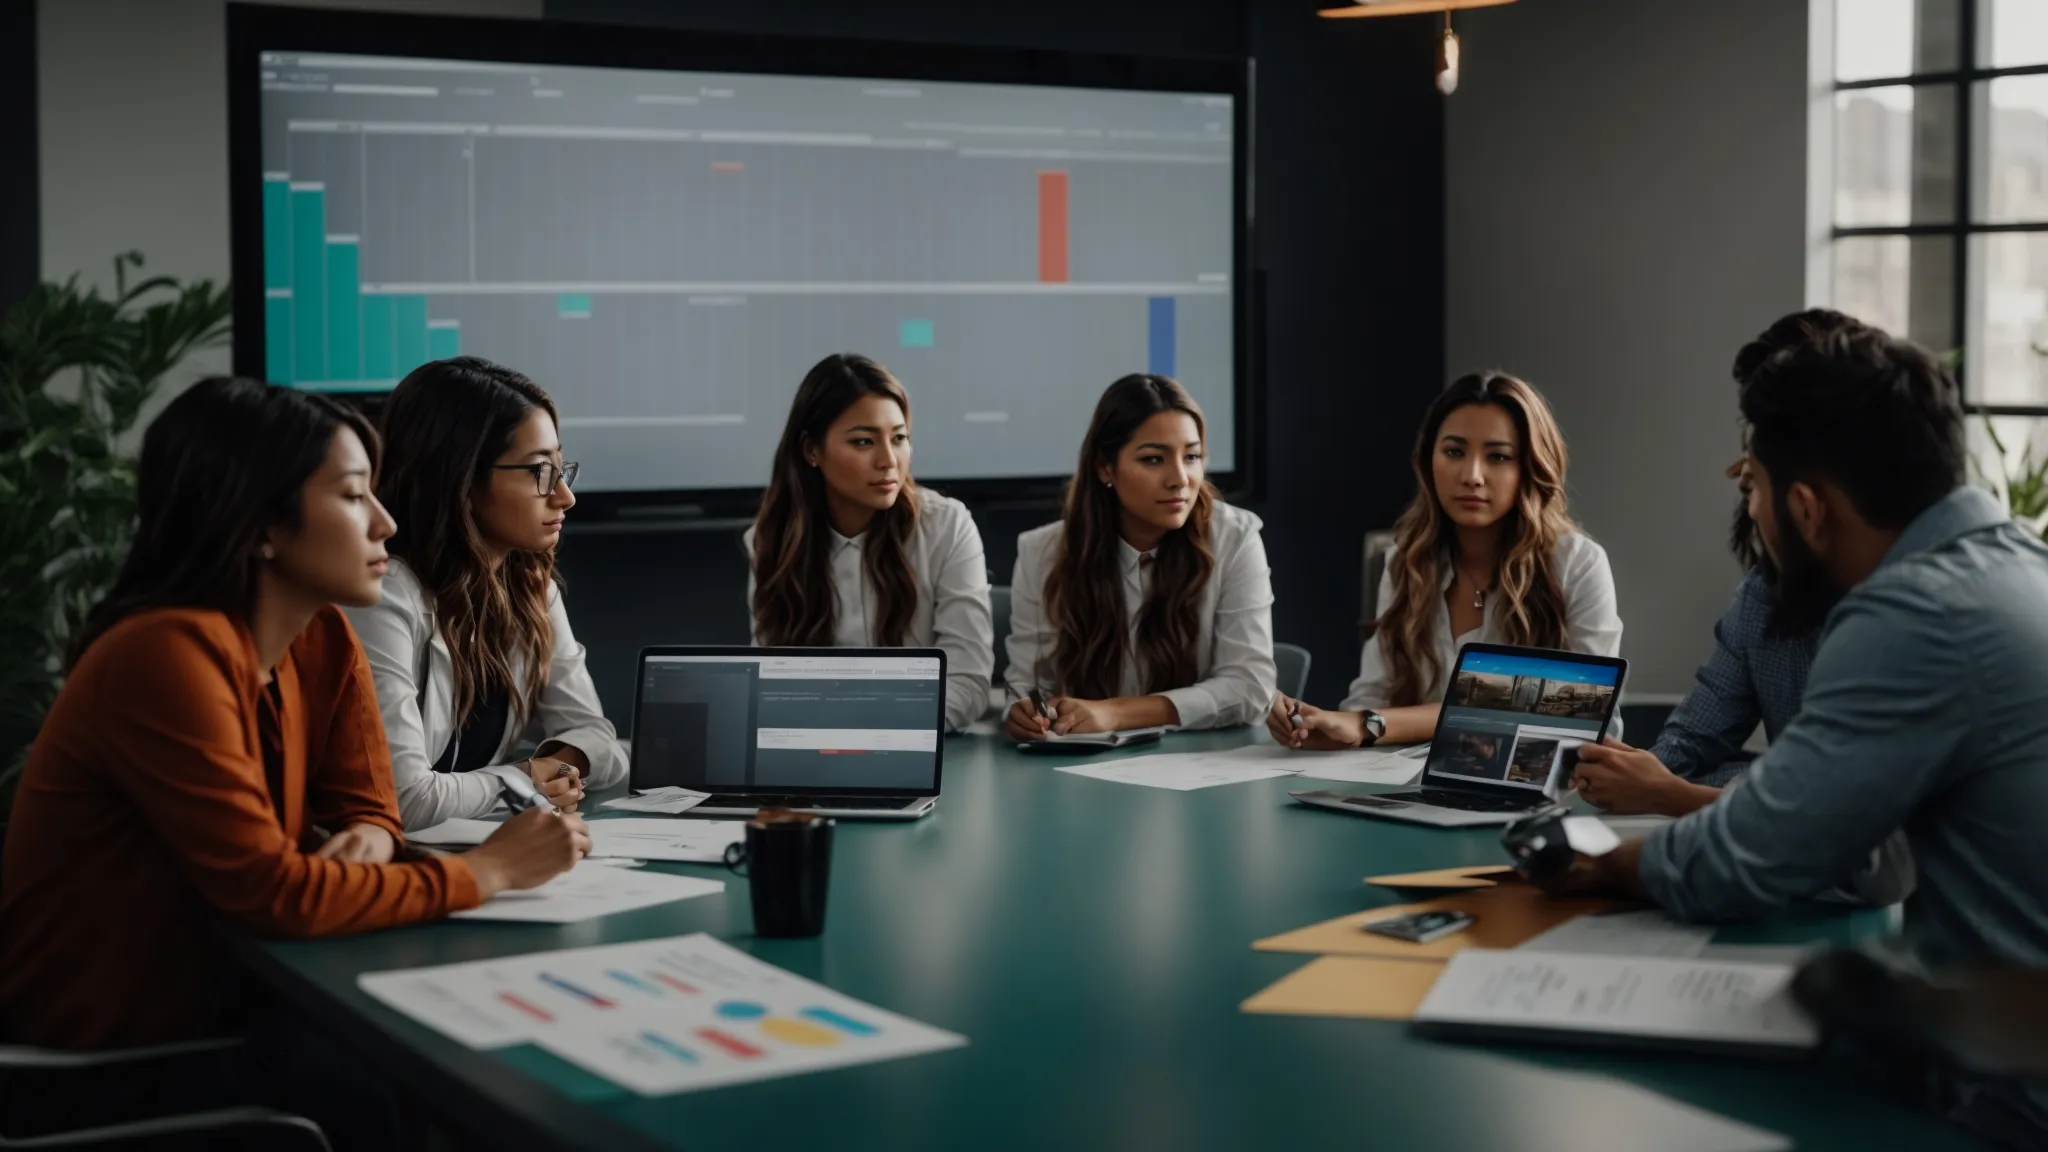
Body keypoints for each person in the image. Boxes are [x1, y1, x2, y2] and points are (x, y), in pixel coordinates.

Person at [0, 378, 584, 1131]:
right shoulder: (165, 654)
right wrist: (490, 870)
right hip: (99, 1060)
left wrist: (370, 840)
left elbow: (373, 807)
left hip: (227, 1005)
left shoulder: (322, 633)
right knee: (417, 1090)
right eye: (351, 497)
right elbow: (275, 895)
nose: (385, 522)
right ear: (260, 524)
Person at [1529, 323, 2048, 1144]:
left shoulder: (1915, 614)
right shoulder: (2019, 566)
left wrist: (1594, 863)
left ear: (1806, 508)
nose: (1752, 508)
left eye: (1754, 487)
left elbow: (1754, 854)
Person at [1572, 310, 1859, 816]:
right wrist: (1631, 778)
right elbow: (1694, 740)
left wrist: (1671, 795)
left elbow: (1840, 820)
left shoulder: (1901, 613)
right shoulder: (1763, 595)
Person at [345, 357, 628, 831]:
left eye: (562, 468)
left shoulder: (530, 585)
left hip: (478, 846)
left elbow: (600, 741)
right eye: (540, 471)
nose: (564, 496)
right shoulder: (386, 592)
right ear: (460, 478)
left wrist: (559, 765)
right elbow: (404, 797)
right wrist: (525, 779)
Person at [1270, 372, 1620, 751]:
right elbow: (1371, 699)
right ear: (1427, 460)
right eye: (1454, 452)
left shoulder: (1577, 564)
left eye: (1498, 457)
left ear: (1530, 468)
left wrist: (1371, 724)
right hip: (1406, 783)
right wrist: (1332, 729)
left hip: (1532, 787)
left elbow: (1585, 715)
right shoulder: (1405, 562)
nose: (1471, 476)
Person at [1005, 374, 1275, 738]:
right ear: (1105, 467)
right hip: (1079, 766)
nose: (1180, 478)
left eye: (1191, 456)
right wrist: (1024, 711)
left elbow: (1250, 686)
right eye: (1153, 459)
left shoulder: (1235, 538)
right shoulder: (1043, 553)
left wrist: (1116, 713)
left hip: (1199, 766)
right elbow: (1028, 684)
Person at [747, 353, 993, 733]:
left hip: (923, 748)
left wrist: (865, 726)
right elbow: (772, 685)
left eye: (899, 439)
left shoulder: (947, 526)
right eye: (864, 441)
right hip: (814, 755)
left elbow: (968, 684)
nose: (889, 461)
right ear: (811, 450)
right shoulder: (770, 540)